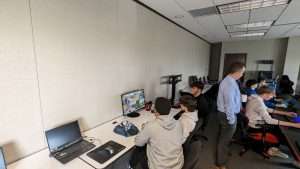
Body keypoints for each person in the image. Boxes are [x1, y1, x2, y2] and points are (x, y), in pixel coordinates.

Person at [246, 86, 300, 158]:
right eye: (272, 95)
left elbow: (267, 109)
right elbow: (269, 120)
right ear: (265, 94)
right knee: (281, 133)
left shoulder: (257, 98)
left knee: (278, 129)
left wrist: (286, 113)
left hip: (255, 122)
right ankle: (271, 150)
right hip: (255, 126)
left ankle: (273, 147)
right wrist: (293, 125)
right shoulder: (258, 102)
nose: (272, 97)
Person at [130, 97, 184, 169]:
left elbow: (138, 143)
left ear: (155, 110)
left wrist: (145, 129)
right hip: (178, 164)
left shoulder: (151, 126)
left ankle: (131, 166)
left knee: (138, 149)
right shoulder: (178, 123)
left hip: (159, 167)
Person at [215, 62, 245, 169]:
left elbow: (234, 98)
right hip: (227, 115)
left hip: (226, 113)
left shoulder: (231, 80)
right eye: (242, 72)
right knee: (224, 139)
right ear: (237, 72)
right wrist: (232, 120)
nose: (242, 74)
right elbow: (229, 105)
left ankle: (223, 153)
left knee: (224, 136)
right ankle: (221, 163)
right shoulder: (229, 84)